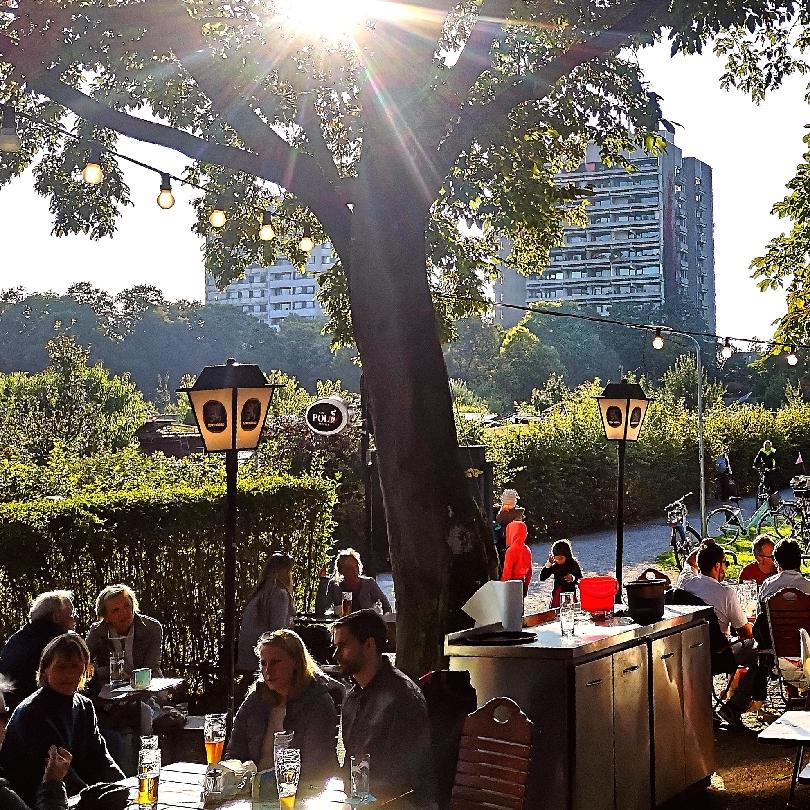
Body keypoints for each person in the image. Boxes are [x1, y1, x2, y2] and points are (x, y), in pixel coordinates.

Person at [0, 635, 123, 805]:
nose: (69, 674)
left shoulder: (85, 706)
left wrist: (123, 786)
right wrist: (97, 800)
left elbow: (101, 757)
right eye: (61, 667)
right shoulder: (33, 713)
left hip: (69, 796)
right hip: (36, 799)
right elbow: (59, 771)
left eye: (75, 666)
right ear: (45, 670)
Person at [332, 610, 432, 804]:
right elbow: (351, 767)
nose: (335, 654)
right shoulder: (353, 696)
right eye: (335, 646)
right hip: (361, 800)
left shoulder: (403, 698)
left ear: (369, 645)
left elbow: (406, 779)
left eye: (343, 646)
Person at [227, 629, 344, 781]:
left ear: (295, 662)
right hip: (251, 790)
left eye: (275, 662)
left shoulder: (317, 703)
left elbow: (317, 766)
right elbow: (234, 752)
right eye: (263, 663)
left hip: (299, 792)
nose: (268, 670)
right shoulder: (256, 700)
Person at [682, 544, 758, 729]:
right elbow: (745, 632)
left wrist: (701, 547)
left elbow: (688, 562)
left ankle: (709, 708)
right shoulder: (725, 593)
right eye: (725, 563)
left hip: (688, 651)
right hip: (718, 654)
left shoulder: (685, 583)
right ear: (717, 566)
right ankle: (734, 706)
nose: (725, 567)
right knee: (761, 652)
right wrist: (754, 624)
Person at [0, 591, 77, 711]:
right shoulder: (63, 641)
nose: (74, 618)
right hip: (46, 712)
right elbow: (82, 681)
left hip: (11, 712)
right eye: (71, 613)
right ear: (56, 617)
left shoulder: (15, 639)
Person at [85, 585, 162, 682]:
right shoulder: (98, 631)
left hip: (147, 683)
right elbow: (83, 662)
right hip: (111, 687)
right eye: (116, 610)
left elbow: (151, 667)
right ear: (105, 616)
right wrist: (110, 671)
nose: (124, 613)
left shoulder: (151, 628)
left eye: (127, 606)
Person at [237, 553, 296, 672]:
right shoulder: (279, 594)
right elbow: (278, 633)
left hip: (245, 657)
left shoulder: (259, 595)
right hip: (263, 658)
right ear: (284, 572)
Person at [326, 549, 391, 615]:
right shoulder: (334, 585)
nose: (354, 571)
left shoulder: (369, 583)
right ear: (340, 570)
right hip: (342, 623)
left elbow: (386, 606)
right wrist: (323, 580)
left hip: (365, 623)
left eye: (356, 566)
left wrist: (385, 620)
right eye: (349, 568)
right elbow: (324, 608)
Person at [758, 538, 810, 604]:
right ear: (799, 561)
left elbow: (759, 612)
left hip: (775, 614)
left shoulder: (768, 586)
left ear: (777, 563)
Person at [538, 540, 582, 608]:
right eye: (556, 558)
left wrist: (573, 578)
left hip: (570, 595)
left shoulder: (573, 564)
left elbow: (580, 578)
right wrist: (548, 565)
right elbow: (542, 577)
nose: (558, 561)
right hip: (557, 596)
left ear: (567, 555)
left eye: (561, 558)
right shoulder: (555, 565)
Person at [500, 520, 532, 597]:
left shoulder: (511, 551)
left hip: (511, 585)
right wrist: (526, 585)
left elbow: (507, 572)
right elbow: (530, 571)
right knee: (519, 607)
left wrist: (501, 584)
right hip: (521, 583)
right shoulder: (527, 549)